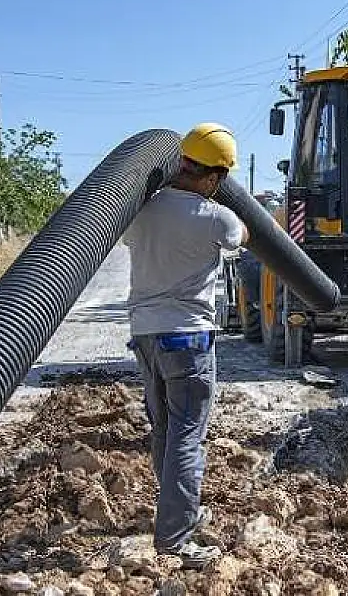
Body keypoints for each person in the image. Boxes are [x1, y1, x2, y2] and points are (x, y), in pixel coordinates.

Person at [122, 122, 248, 568]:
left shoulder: (140, 211)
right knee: (187, 436)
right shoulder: (217, 217)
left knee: (165, 429)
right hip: (188, 339)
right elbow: (242, 237)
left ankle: (177, 509)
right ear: (214, 178)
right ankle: (176, 536)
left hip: (145, 336)